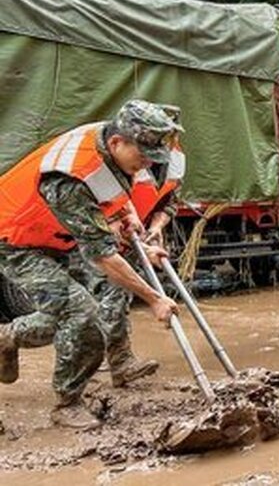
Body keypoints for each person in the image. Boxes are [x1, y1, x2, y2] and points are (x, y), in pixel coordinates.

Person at [0, 100, 180, 429]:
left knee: (102, 295)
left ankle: (8, 337)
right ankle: (67, 403)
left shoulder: (110, 143)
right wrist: (154, 298)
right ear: (117, 143)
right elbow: (102, 253)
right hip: (14, 238)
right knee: (81, 312)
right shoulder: (69, 174)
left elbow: (105, 198)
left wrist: (126, 219)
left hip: (56, 233)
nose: (145, 166)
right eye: (142, 156)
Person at [66, 102, 187, 391]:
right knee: (95, 302)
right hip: (101, 228)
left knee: (118, 296)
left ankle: (121, 363)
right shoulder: (117, 155)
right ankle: (79, 372)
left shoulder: (176, 158)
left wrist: (154, 230)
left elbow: (171, 201)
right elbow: (99, 200)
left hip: (135, 231)